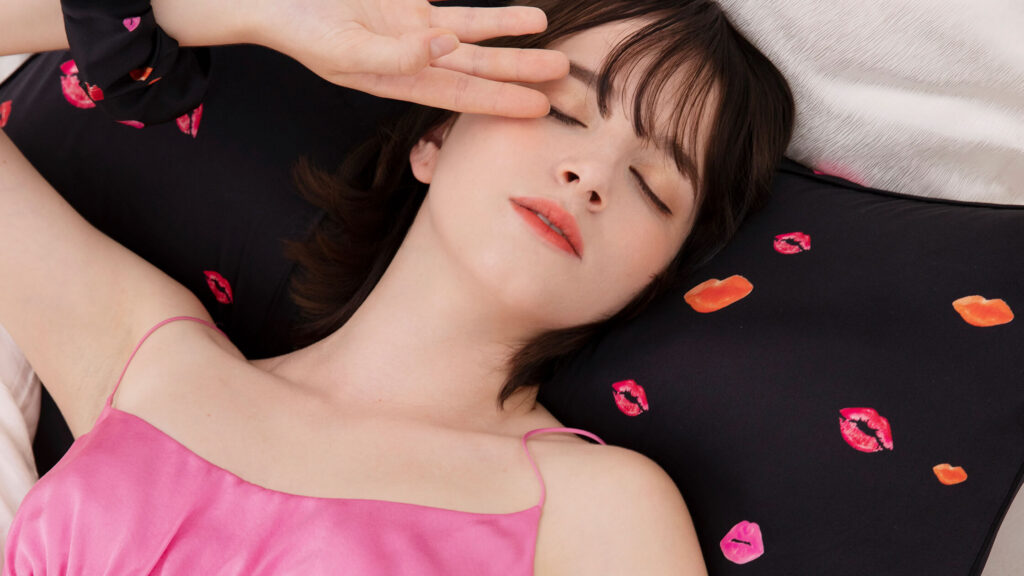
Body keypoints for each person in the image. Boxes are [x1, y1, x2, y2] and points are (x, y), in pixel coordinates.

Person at [0, 0, 794, 573]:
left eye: (656, 188)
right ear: (435, 133)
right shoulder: (148, 361)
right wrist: (245, 11)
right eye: (562, 111)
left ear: (656, 278)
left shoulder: (598, 510)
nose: (592, 176)